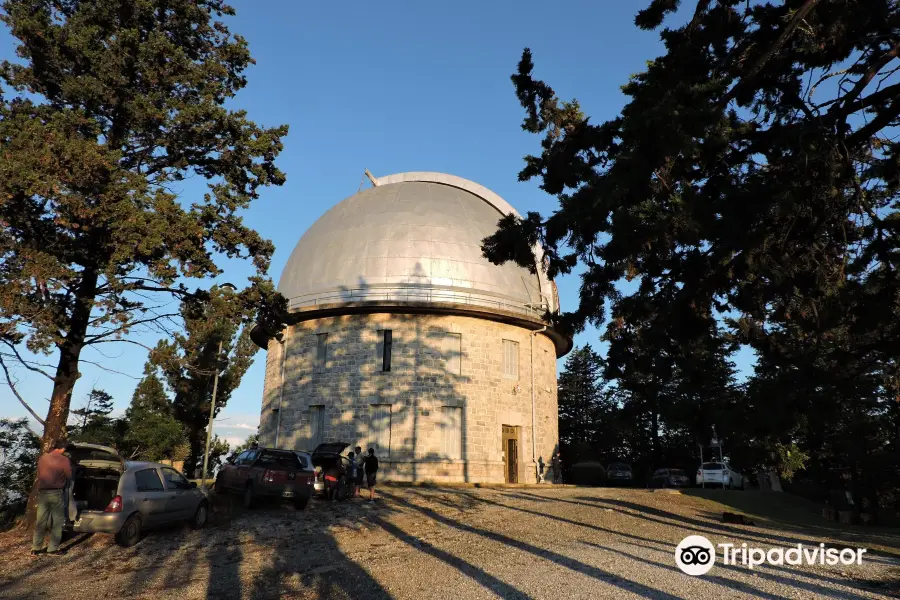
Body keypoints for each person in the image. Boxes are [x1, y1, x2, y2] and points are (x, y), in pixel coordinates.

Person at [31, 440, 72, 556]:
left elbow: (40, 473)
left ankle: (35, 548)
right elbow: (69, 475)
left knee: (41, 521)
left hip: (42, 493)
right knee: (58, 522)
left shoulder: (43, 458)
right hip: (56, 493)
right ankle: (52, 549)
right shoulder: (64, 459)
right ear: (63, 449)